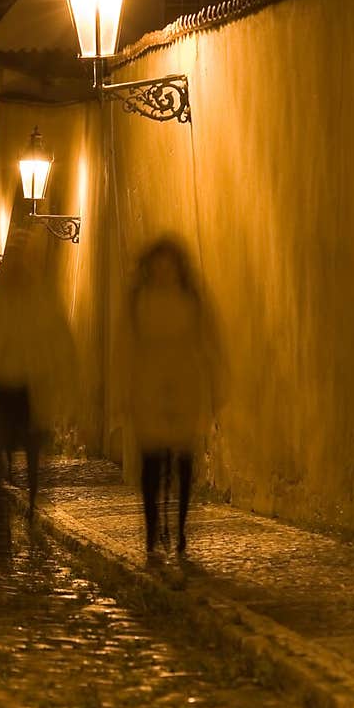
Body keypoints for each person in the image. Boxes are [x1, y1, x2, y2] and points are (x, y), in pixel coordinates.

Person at [0, 222, 78, 566]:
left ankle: (33, 514)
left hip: (31, 394)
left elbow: (63, 350)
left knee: (35, 466)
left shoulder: (42, 305)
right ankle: (1, 538)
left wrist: (64, 393)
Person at [120, 234, 227, 561]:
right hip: (149, 387)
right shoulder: (139, 300)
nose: (164, 271)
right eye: (159, 265)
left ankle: (179, 530)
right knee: (152, 467)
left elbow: (210, 343)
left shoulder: (192, 300)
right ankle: (153, 530)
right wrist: (125, 388)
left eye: (169, 265)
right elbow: (125, 346)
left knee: (182, 465)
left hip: (184, 387)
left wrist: (216, 388)